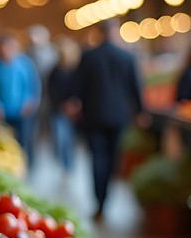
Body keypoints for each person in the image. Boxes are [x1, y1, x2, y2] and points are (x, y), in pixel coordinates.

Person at [74, 18, 145, 221]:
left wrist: (75, 104)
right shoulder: (127, 57)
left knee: (97, 159)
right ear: (116, 32)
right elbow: (136, 87)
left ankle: (100, 202)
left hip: (94, 115)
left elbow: (79, 86)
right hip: (118, 117)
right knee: (113, 159)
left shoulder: (89, 57)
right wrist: (140, 112)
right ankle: (107, 199)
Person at [0, 32, 42, 169]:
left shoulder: (25, 63)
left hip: (23, 110)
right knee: (7, 141)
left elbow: (33, 85)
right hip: (3, 112)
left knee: (25, 140)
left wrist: (30, 101)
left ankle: (27, 166)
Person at [46, 36, 81, 178]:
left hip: (74, 111)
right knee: (61, 139)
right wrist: (62, 104)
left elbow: (80, 89)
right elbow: (51, 90)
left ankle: (68, 166)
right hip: (58, 110)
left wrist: (74, 104)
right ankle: (64, 164)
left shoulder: (77, 70)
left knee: (70, 141)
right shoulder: (55, 71)